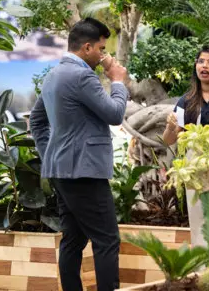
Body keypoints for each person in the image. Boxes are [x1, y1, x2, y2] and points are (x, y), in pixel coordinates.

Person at [29, 17, 129, 291]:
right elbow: (114, 114)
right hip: (84, 171)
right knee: (107, 240)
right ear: (86, 48)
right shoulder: (83, 76)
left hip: (61, 171)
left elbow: (36, 121)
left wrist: (51, 154)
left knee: (73, 239)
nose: (103, 55)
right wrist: (118, 81)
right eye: (101, 49)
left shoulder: (54, 74)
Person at [162, 45, 209, 252]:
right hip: (194, 166)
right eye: (201, 61)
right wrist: (170, 127)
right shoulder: (186, 101)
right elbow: (168, 140)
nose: (204, 66)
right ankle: (203, 265)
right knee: (199, 217)